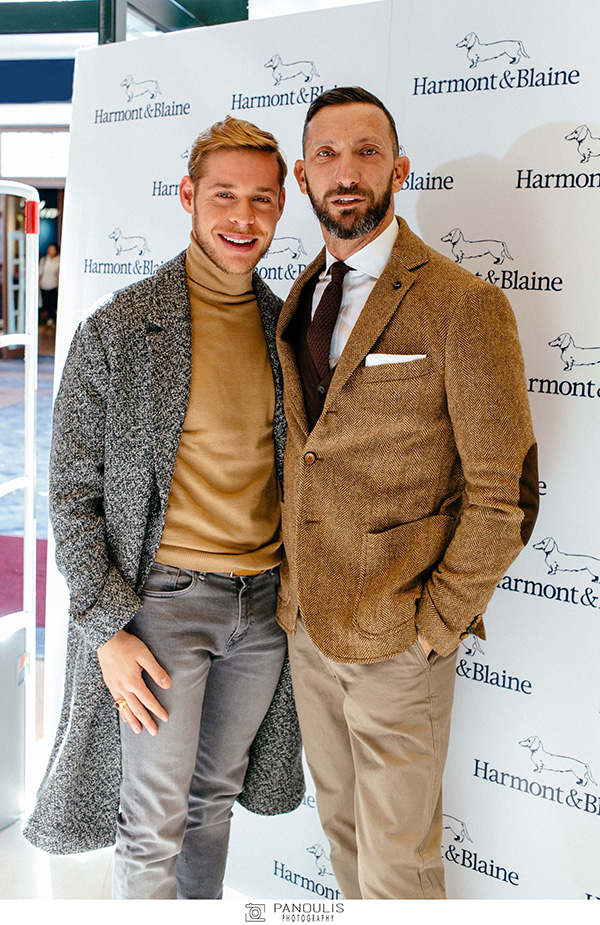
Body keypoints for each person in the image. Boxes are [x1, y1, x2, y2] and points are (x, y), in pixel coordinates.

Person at [23, 116, 304, 900]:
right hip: (161, 609)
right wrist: (107, 628)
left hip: (261, 611)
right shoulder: (118, 329)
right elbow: (71, 494)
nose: (243, 217)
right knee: (151, 824)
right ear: (188, 196)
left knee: (211, 806)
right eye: (224, 196)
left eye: (262, 199)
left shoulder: (288, 330)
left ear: (281, 206)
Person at [275, 87, 539, 900]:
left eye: (367, 152)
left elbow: (507, 492)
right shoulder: (301, 294)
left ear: (400, 168)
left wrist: (433, 628)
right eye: (327, 154)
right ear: (302, 175)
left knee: (400, 870)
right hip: (306, 625)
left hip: (398, 638)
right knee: (344, 840)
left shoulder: (463, 304)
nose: (346, 171)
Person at [39, 243, 60, 326]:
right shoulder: (44, 260)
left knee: (52, 303)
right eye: (49, 249)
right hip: (44, 285)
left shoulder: (58, 261)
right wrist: (39, 282)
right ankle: (45, 317)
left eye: (52, 249)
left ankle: (51, 318)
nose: (50, 251)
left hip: (53, 285)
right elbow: (40, 272)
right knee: (45, 303)